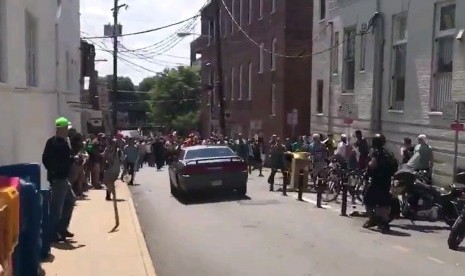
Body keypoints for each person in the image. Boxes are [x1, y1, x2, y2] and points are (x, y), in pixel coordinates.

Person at [42, 117, 76, 242]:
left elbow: (66, 159)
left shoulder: (65, 142)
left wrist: (74, 159)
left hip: (64, 178)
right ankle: (53, 233)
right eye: (66, 128)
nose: (67, 130)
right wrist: (54, 171)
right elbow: (46, 159)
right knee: (56, 208)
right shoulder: (52, 143)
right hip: (58, 179)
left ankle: (62, 228)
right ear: (60, 129)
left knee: (70, 200)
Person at [363, 134, 395, 232]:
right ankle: (384, 222)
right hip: (386, 181)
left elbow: (373, 165)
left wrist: (367, 167)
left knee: (368, 200)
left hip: (377, 180)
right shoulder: (388, 152)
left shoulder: (375, 152)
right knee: (383, 203)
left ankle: (373, 219)